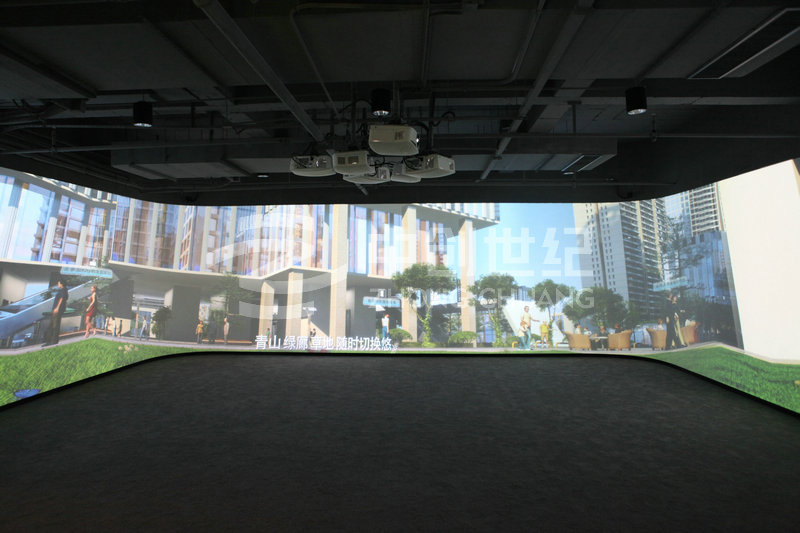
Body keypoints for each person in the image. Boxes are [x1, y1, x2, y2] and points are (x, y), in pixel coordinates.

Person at [43, 279, 68, 346]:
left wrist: (57, 308)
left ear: (61, 284)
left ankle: (52, 341)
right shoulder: (63, 290)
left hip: (57, 310)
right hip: (57, 310)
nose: (58, 284)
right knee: (53, 325)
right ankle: (52, 341)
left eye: (58, 283)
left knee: (54, 325)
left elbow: (61, 299)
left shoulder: (63, 290)